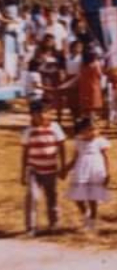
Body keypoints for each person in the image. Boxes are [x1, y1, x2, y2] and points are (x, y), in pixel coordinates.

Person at [20, 100, 66, 235]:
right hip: (34, 170)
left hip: (51, 170)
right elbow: (25, 153)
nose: (42, 116)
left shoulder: (55, 128)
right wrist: (23, 173)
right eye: (37, 113)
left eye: (45, 113)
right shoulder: (28, 131)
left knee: (52, 196)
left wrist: (63, 167)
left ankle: (54, 223)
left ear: (49, 113)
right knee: (33, 196)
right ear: (32, 115)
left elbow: (62, 147)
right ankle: (31, 226)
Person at [63, 116, 111, 233]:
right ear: (82, 131)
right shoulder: (78, 142)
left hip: (95, 171)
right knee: (77, 197)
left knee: (92, 198)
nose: (93, 132)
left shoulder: (100, 142)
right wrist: (65, 169)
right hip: (81, 171)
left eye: (95, 129)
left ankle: (92, 221)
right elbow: (75, 159)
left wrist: (107, 173)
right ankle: (86, 214)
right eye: (89, 129)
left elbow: (106, 157)